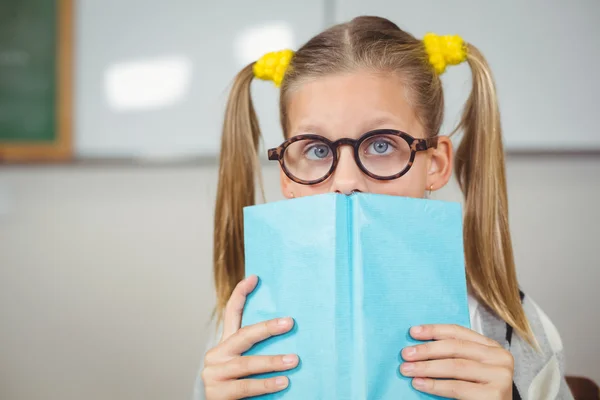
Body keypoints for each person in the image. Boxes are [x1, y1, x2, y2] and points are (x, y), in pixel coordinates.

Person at [194, 16, 573, 400]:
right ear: (287, 176)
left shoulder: (512, 329)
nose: (345, 181)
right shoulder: (243, 328)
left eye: (380, 145)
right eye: (317, 149)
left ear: (436, 164)